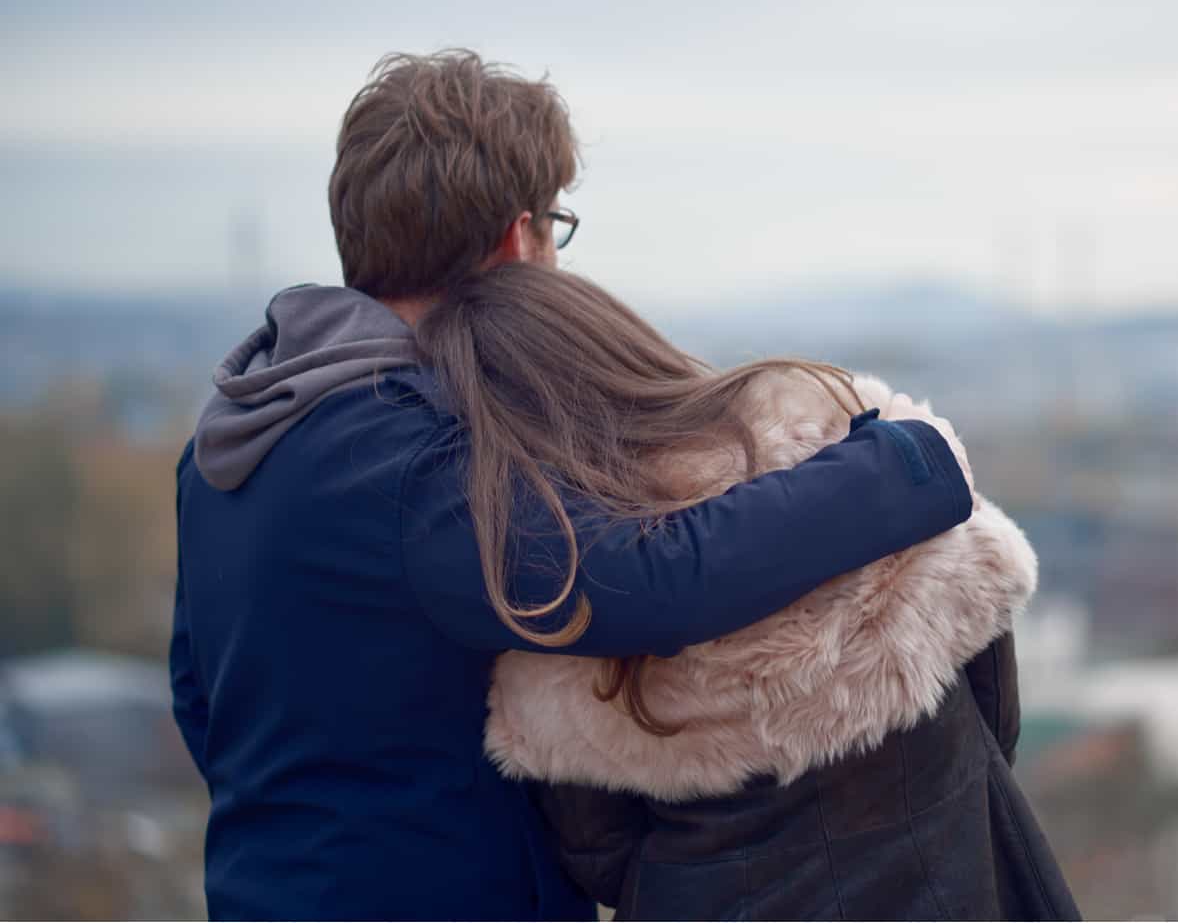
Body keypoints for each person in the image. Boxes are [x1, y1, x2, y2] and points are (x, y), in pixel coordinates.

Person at [169, 50, 975, 920]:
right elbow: (657, 578)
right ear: (519, 240)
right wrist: (908, 461)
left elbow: (199, 693)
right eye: (556, 225)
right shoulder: (405, 462)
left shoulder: (245, 431)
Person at [418, 265, 1081, 920]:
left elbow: (601, 857)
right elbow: (994, 701)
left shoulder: (555, 610)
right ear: (623, 344)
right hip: (943, 884)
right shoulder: (835, 436)